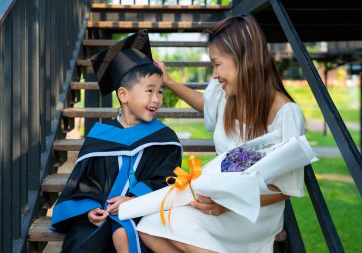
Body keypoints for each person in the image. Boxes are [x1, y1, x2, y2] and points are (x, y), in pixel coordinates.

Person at [137, 16, 305, 253]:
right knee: (149, 228)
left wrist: (229, 203)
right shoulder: (225, 92)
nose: (214, 74)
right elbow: (208, 107)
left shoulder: (285, 113)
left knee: (167, 225)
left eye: (216, 64)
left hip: (255, 210)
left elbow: (286, 191)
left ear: (242, 59)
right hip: (218, 197)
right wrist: (170, 82)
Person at [51, 30, 183, 253]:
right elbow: (85, 182)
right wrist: (89, 209)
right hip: (102, 216)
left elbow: (167, 179)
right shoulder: (100, 135)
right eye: (149, 91)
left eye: (160, 91)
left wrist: (134, 199)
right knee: (84, 242)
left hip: (145, 213)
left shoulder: (165, 139)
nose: (156, 99)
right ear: (123, 95)